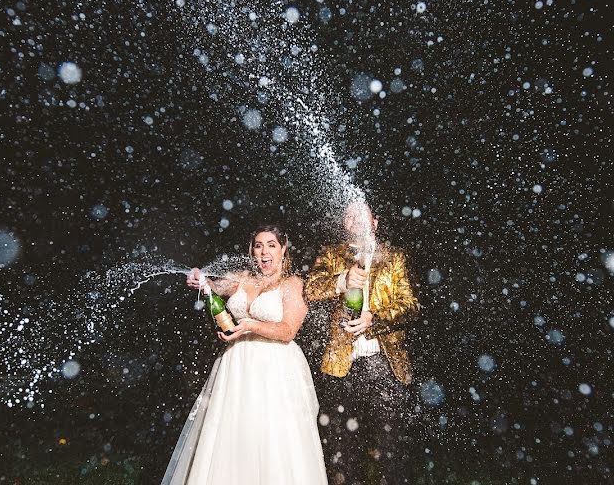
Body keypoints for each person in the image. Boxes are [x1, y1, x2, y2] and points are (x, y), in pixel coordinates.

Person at [161, 225, 328, 485]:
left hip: (275, 370)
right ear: (252, 251)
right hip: (236, 367)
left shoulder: (293, 284)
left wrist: (251, 326)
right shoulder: (242, 279)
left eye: (271, 245)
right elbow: (215, 286)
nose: (264, 252)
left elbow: (287, 331)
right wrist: (201, 281)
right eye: (258, 245)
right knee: (230, 436)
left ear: (283, 249)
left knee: (270, 439)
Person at [306, 201, 420, 485]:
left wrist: (375, 318)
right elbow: (310, 289)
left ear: (375, 223)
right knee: (341, 451)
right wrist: (342, 280)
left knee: (390, 449)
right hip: (341, 366)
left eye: (363, 215)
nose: (356, 220)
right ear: (345, 225)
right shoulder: (332, 255)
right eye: (350, 216)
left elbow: (411, 305)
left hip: (386, 365)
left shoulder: (394, 258)